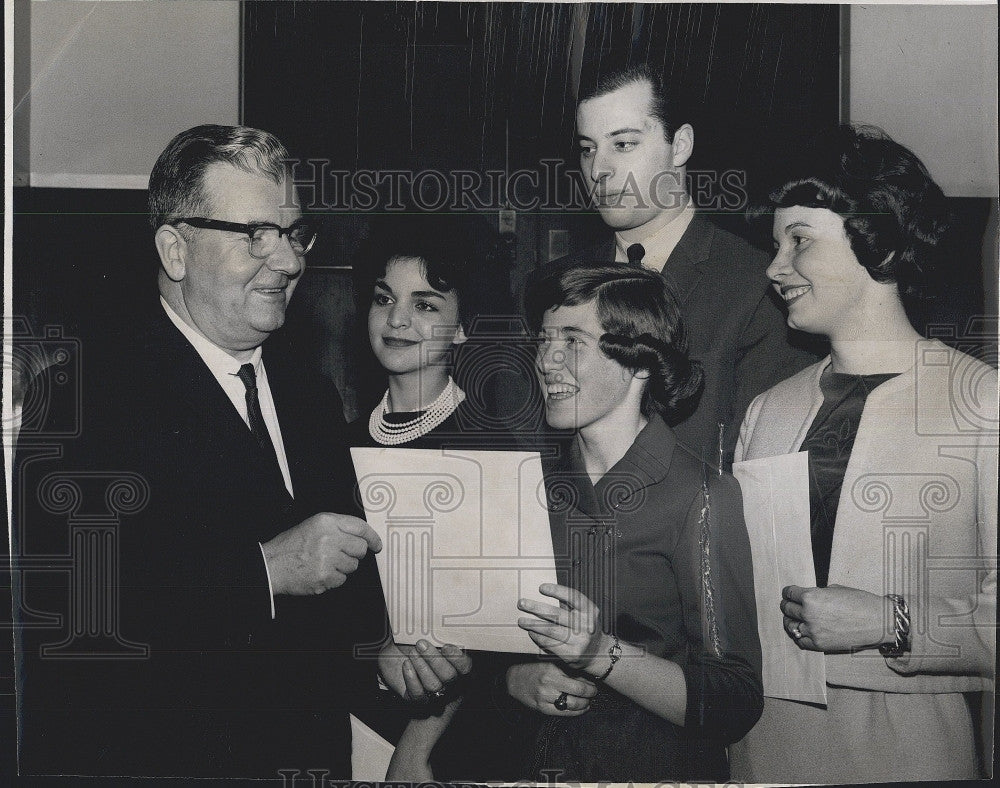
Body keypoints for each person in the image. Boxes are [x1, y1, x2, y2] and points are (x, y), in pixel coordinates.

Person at [15, 124, 464, 778]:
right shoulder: (82, 398)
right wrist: (264, 571)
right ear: (175, 249)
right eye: (255, 234)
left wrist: (382, 658)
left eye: (292, 234)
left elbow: (336, 603)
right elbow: (76, 621)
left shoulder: (309, 397)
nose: (286, 262)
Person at [398, 263, 764, 781]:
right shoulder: (527, 483)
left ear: (639, 362)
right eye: (544, 339)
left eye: (572, 340)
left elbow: (734, 702)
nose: (546, 360)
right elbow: (478, 645)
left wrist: (598, 652)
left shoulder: (700, 497)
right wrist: (512, 680)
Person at [728, 125, 997, 783]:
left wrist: (891, 622)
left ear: (878, 242)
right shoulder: (769, 408)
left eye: (799, 242)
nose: (773, 268)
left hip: (907, 751)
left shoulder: (983, 403)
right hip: (762, 749)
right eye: (774, 245)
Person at [546, 63, 819, 466]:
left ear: (681, 145)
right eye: (588, 149)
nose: (598, 170)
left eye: (623, 144)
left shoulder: (760, 285)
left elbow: (765, 471)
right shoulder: (552, 286)